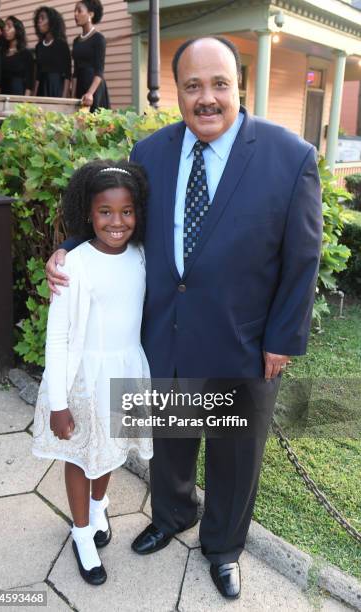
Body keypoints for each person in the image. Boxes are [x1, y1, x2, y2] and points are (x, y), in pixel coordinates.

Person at [46, 37, 323, 599]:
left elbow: (303, 257)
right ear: (178, 91)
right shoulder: (150, 153)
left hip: (244, 343)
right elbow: (119, 218)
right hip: (163, 334)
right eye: (192, 86)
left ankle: (223, 547)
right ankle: (172, 516)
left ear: (238, 84)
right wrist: (68, 248)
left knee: (235, 452)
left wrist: (282, 340)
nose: (206, 98)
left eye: (218, 83)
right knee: (169, 441)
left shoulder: (289, 156)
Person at [33, 160, 153, 586]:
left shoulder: (141, 256)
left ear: (138, 214)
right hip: (84, 378)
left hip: (125, 370)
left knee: (110, 450)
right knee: (80, 455)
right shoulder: (73, 264)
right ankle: (81, 533)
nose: (116, 221)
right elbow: (60, 336)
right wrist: (60, 405)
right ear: (89, 213)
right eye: (105, 212)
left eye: (126, 212)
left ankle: (100, 508)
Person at [72, 0, 110, 112]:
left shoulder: (99, 39)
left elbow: (99, 71)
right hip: (80, 85)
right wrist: (72, 95)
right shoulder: (76, 41)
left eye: (79, 11)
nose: (75, 14)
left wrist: (90, 93)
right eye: (75, 11)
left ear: (90, 14)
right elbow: (75, 71)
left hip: (94, 88)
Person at [33, 7, 71, 98]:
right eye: (38, 18)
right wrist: (33, 97)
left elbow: (67, 75)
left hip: (57, 88)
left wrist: (64, 97)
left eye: (42, 18)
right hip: (42, 89)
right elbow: (38, 75)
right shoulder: (39, 47)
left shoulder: (61, 45)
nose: (39, 21)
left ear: (52, 22)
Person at [1, 16, 34, 96]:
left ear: (17, 30)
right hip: (2, 96)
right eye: (4, 26)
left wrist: (25, 102)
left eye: (9, 26)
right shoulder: (1, 53)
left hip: (19, 96)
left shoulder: (26, 54)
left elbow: (29, 83)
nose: (5, 28)